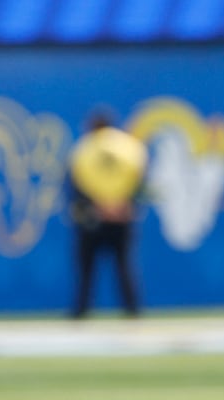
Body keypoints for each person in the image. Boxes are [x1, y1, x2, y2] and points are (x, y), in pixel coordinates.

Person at [68, 106, 147, 319]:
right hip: (122, 216)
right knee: (124, 267)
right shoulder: (130, 146)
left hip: (92, 218)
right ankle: (133, 313)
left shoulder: (84, 147)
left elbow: (74, 182)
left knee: (86, 270)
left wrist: (97, 206)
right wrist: (126, 204)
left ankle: (81, 313)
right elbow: (141, 179)